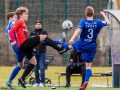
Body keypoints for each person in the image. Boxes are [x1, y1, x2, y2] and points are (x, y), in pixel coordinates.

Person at [9, 6, 66, 88]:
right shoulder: (19, 22)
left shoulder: (24, 24)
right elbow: (11, 31)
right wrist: (14, 41)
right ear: (21, 15)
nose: (27, 15)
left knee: (33, 62)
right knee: (44, 36)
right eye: (25, 14)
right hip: (24, 44)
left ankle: (22, 78)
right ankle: (60, 49)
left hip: (24, 46)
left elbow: (22, 36)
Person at [61, 6, 110, 90]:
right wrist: (104, 15)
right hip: (91, 46)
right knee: (88, 66)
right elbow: (108, 23)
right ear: (93, 13)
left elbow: (78, 30)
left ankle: (61, 43)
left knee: (70, 46)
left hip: (82, 44)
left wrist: (72, 38)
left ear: (85, 13)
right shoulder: (98, 22)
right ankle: (86, 81)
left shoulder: (83, 22)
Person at [5, 12, 25, 89]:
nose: (16, 19)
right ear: (11, 18)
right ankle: (59, 42)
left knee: (20, 65)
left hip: (15, 49)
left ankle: (9, 81)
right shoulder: (13, 23)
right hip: (20, 45)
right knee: (36, 41)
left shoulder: (7, 27)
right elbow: (15, 33)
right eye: (15, 17)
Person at [29, 20, 47, 87]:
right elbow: (30, 41)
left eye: (39, 24)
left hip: (42, 52)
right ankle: (37, 82)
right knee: (35, 67)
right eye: (37, 24)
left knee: (42, 67)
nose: (38, 25)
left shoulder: (44, 32)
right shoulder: (32, 33)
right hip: (34, 52)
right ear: (35, 25)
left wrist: (37, 39)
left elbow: (45, 40)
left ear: (41, 25)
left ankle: (42, 82)